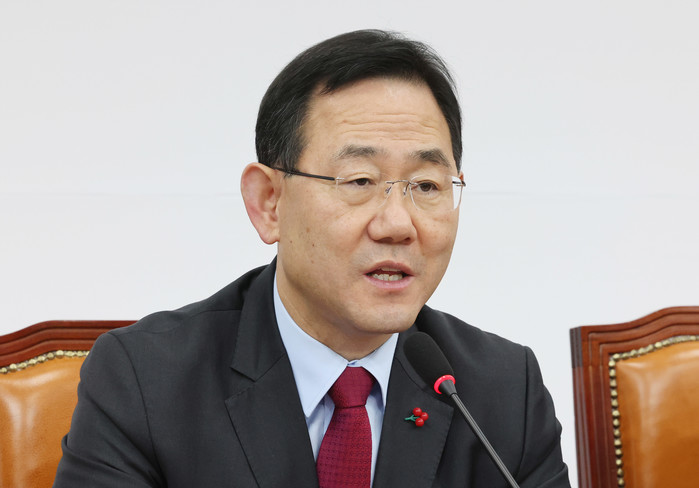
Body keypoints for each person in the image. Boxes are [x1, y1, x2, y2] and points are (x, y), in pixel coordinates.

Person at [54, 30, 570, 487]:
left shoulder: (503, 392)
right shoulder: (146, 381)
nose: (397, 224)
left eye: (427, 185)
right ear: (269, 203)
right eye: (360, 181)